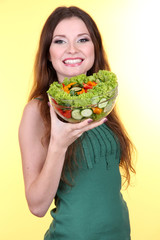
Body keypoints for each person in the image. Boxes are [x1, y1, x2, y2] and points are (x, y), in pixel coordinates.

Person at [18, 6, 136, 240]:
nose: (72, 49)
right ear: (48, 54)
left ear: (95, 48)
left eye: (83, 39)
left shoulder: (101, 102)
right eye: (60, 41)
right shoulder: (38, 110)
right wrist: (59, 144)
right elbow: (37, 206)